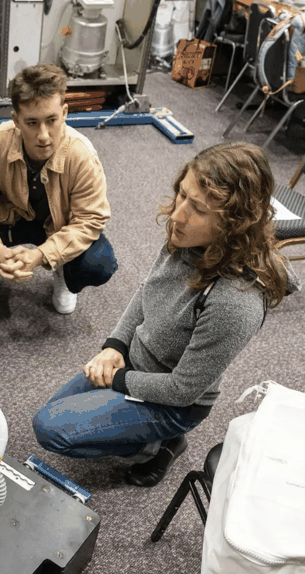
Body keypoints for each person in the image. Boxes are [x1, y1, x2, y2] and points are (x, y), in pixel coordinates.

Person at [33, 142, 299, 486]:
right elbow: (148, 290)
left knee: (51, 430)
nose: (177, 215)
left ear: (234, 224)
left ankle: (156, 446)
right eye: (182, 195)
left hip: (173, 403)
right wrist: (115, 346)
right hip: (137, 362)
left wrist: (116, 380)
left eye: (198, 208)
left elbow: (181, 390)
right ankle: (138, 427)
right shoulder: (187, 235)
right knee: (50, 413)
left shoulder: (237, 302)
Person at [0, 64, 117, 314]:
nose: (43, 135)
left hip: (58, 226)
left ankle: (64, 273)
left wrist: (43, 255)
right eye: (32, 122)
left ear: (64, 113)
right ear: (16, 120)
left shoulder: (82, 155)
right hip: (9, 222)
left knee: (99, 264)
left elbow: (90, 219)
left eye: (51, 121)